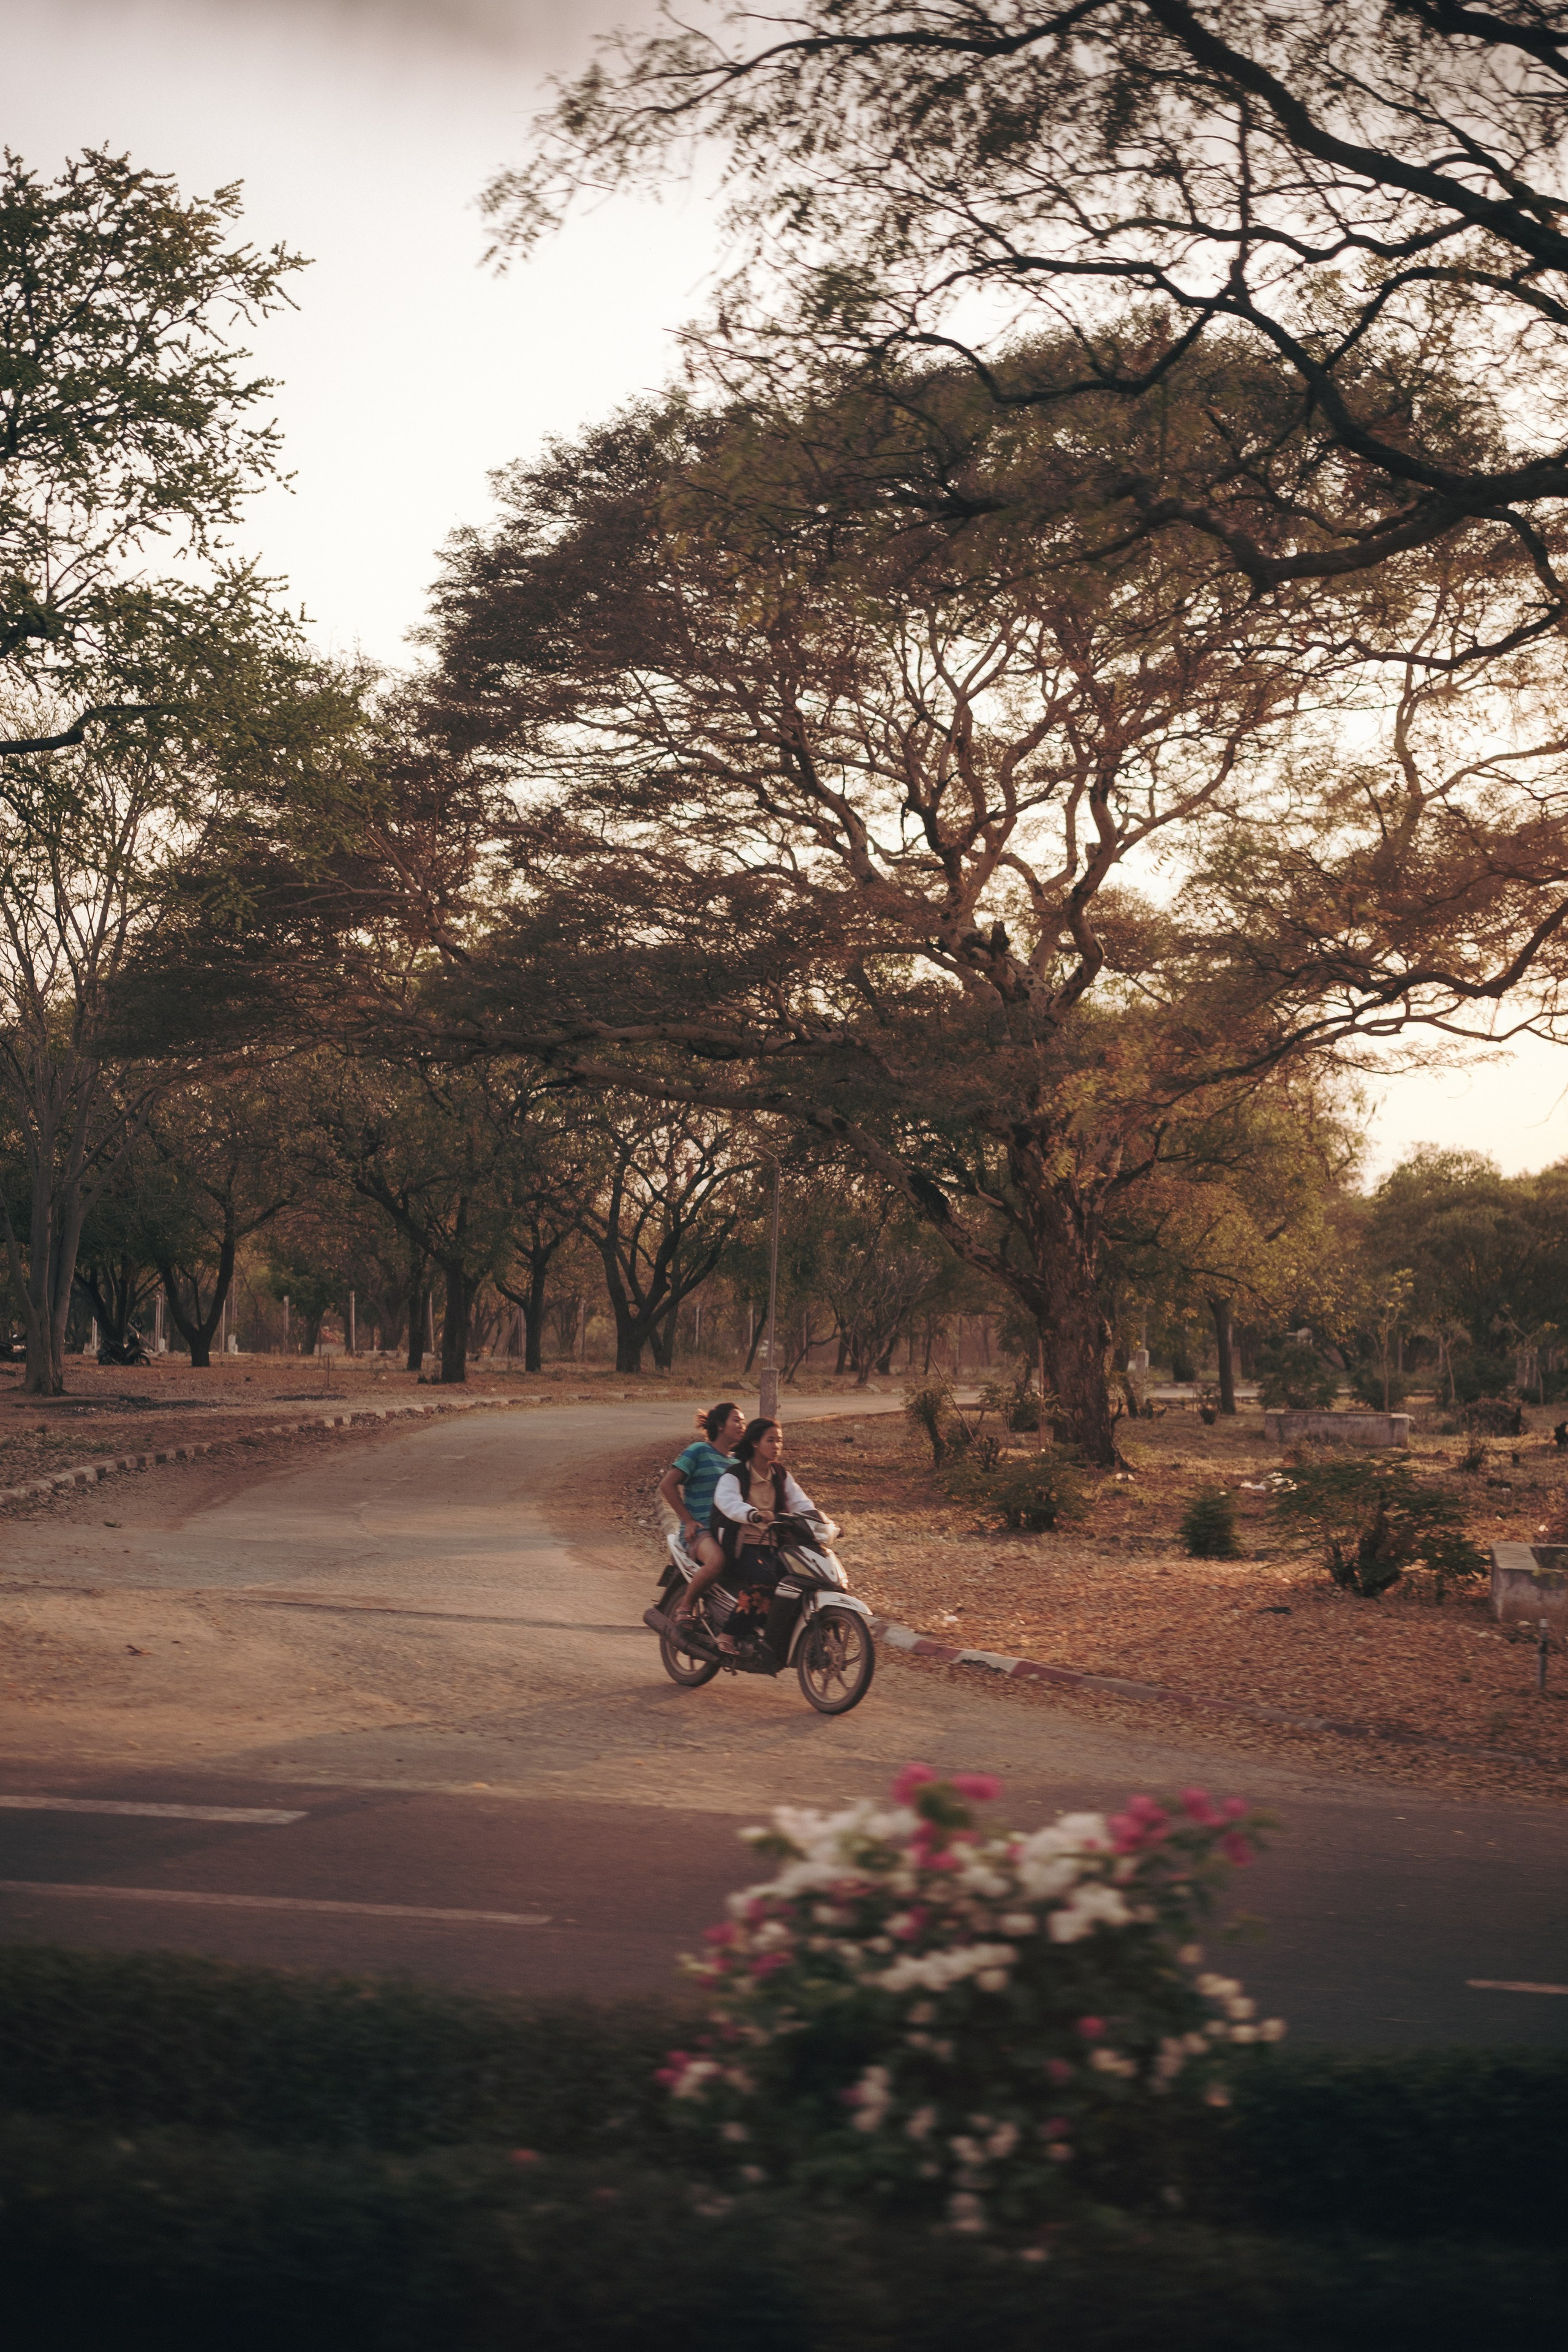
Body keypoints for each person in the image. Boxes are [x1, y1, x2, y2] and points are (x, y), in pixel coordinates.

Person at [710, 1417, 820, 1653]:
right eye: (771, 1440)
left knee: (800, 1579)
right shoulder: (736, 1474)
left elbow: (801, 1502)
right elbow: (727, 1502)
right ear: (755, 1443)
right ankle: (727, 1634)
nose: (777, 1446)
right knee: (768, 1582)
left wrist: (823, 1521)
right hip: (744, 1547)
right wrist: (753, 1514)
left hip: (775, 1547)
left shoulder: (780, 1474)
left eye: (779, 1441)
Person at [657, 1402, 744, 1626]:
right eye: (736, 1420)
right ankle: (685, 1607)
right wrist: (688, 1520)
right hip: (701, 1531)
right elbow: (667, 1485)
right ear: (720, 1426)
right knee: (716, 1562)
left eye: (743, 1421)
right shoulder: (699, 1451)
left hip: (728, 1532)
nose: (742, 1425)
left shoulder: (738, 1463)